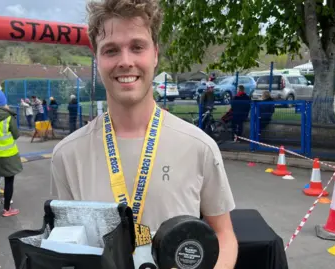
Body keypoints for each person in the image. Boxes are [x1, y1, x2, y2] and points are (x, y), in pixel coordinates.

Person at [51, 1, 238, 268]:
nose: (125, 61)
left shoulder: (200, 147)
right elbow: (63, 249)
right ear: (97, 59)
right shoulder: (67, 156)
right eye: (111, 50)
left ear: (155, 55)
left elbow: (224, 235)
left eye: (137, 47)